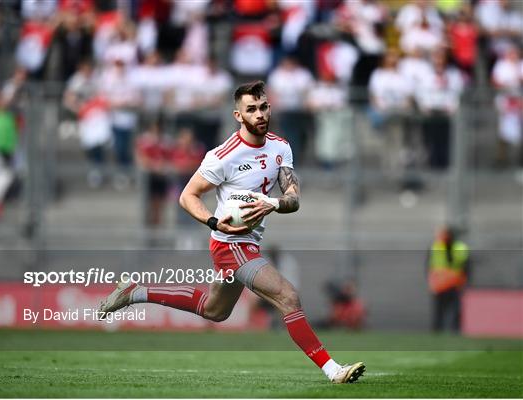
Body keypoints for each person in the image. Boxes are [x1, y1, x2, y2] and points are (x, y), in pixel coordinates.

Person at [98, 81, 365, 384]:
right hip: (230, 243)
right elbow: (188, 196)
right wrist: (213, 222)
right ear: (238, 115)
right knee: (288, 296)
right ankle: (333, 370)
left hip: (249, 241)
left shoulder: (280, 147)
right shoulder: (223, 155)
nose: (260, 114)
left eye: (263, 106)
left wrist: (273, 203)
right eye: (251, 109)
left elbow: (293, 198)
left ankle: (135, 291)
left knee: (214, 310)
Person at [427, 225, 470, 333]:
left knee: (456, 311)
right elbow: (429, 267)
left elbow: (466, 266)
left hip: (455, 285)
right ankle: (437, 333)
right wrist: (431, 283)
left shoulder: (460, 247)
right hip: (440, 285)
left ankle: (455, 332)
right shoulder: (435, 247)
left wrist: (465, 282)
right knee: (439, 312)